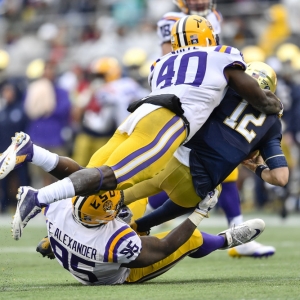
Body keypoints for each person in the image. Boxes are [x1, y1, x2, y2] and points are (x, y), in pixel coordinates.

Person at [1, 16, 282, 240]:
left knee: (97, 175)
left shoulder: (161, 62)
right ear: (210, 37)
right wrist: (272, 105)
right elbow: (250, 90)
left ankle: (33, 154)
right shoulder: (222, 54)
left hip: (139, 113)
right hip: (168, 121)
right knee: (112, 178)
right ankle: (38, 197)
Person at [152, 0, 277, 258]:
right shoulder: (171, 18)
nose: (199, 2)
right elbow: (170, 56)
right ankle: (135, 216)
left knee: (223, 162)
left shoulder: (214, 15)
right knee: (167, 170)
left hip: (209, 93)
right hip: (187, 94)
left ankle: (235, 229)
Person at [119, 62, 288, 248]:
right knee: (205, 199)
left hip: (171, 159)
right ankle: (140, 226)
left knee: (114, 197)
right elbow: (280, 178)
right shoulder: (273, 124)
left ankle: (95, 211)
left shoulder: (224, 91)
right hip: (197, 186)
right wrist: (256, 167)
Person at [34, 189, 265, 285]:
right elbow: (165, 247)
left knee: (136, 200)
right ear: (102, 219)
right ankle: (226, 240)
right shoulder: (117, 243)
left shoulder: (59, 206)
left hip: (85, 243)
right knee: (192, 238)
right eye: (111, 211)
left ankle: (54, 242)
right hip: (119, 270)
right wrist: (200, 212)